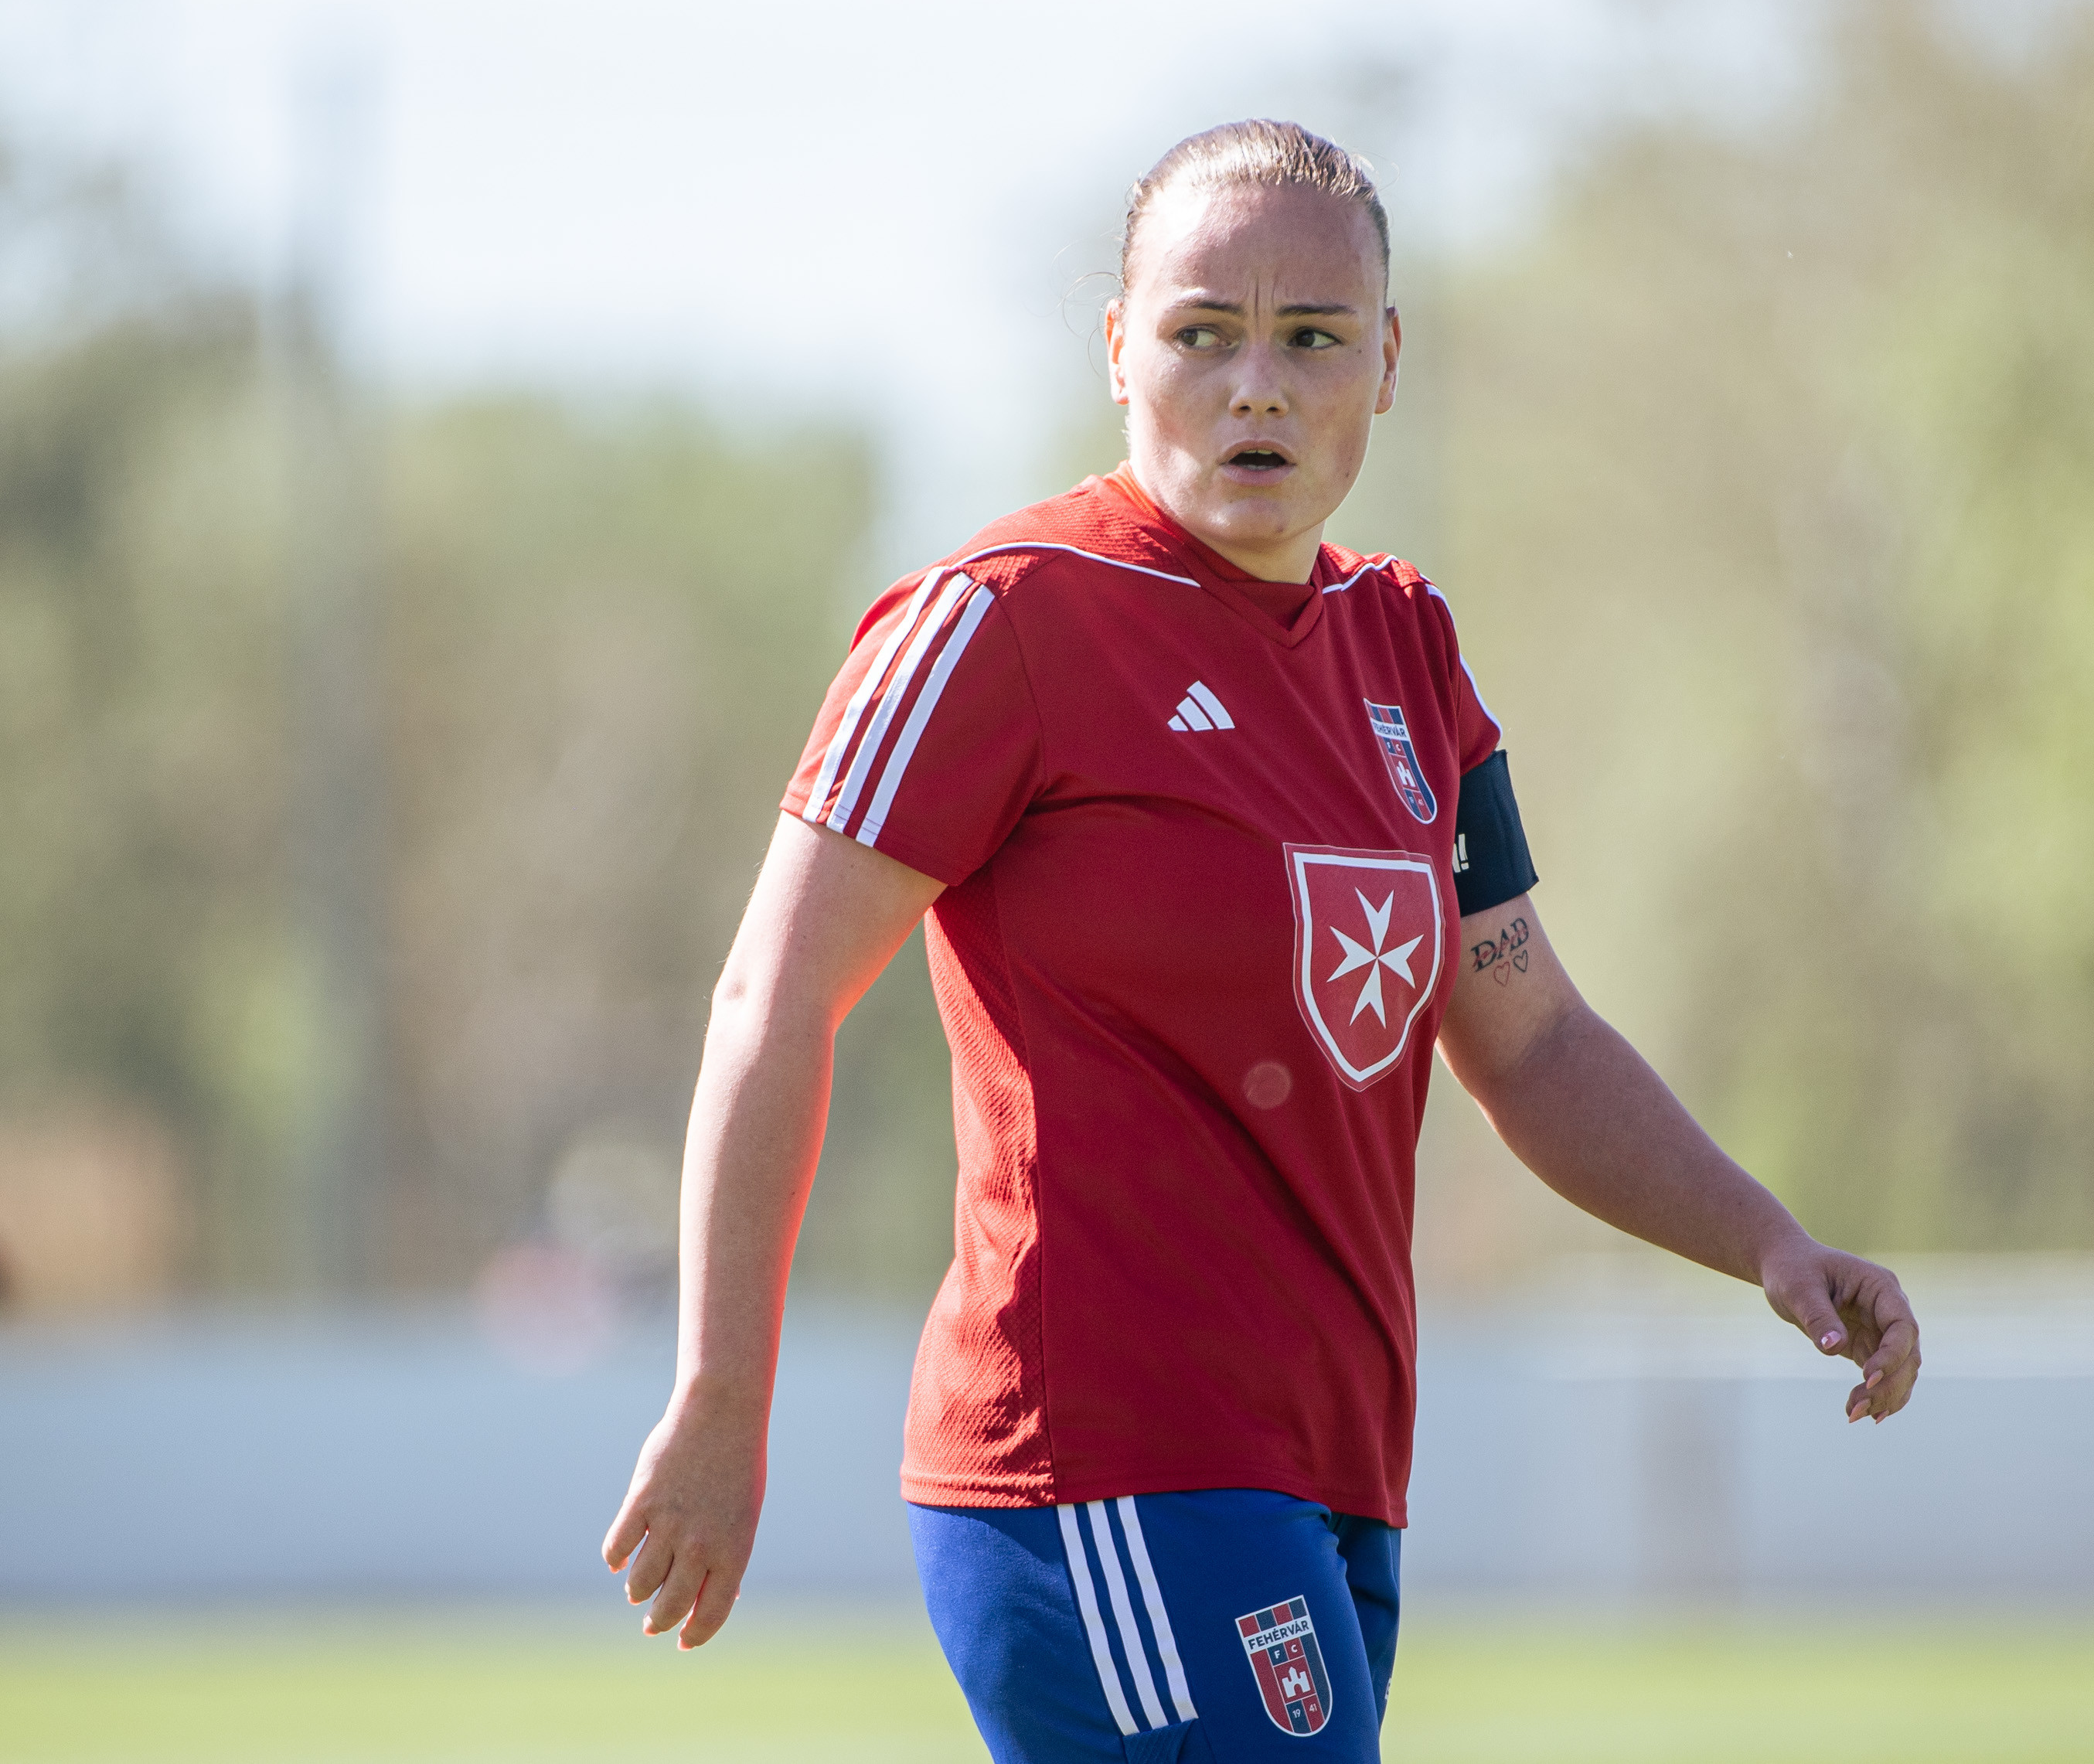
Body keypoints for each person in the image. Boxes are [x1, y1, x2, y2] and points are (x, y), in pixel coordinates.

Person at [603, 119, 1920, 1763]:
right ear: (1117, 349)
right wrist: (724, 1395)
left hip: (1333, 1475)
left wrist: (1769, 1243)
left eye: (1311, 338)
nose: (1257, 388)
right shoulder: (1003, 621)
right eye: (1201, 333)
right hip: (1101, 1473)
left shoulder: (1407, 650)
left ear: (1388, 362)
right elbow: (772, 996)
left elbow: (1531, 1039)